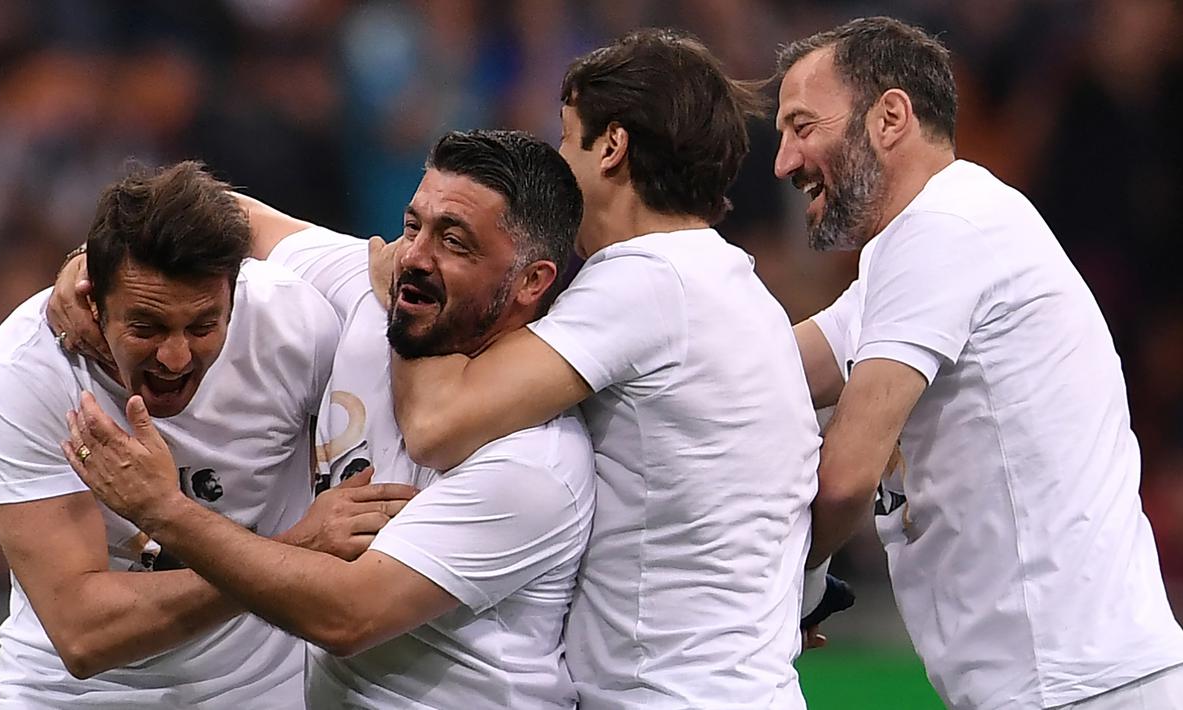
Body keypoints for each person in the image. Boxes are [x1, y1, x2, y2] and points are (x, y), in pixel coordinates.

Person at [59, 130, 597, 708]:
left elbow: (348, 617)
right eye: (413, 225)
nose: (415, 255)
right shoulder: (373, 293)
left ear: (533, 281)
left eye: (455, 242)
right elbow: (226, 216)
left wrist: (163, 509)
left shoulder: (536, 462)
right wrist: (93, 265)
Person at [374, 29, 821, 708]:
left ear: (610, 146)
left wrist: (405, 285)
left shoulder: (647, 283)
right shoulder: (737, 290)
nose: (558, 160)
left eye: (565, 136)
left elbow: (437, 425)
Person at [774, 16, 1183, 710]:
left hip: (1074, 687)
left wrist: (777, 588)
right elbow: (764, 372)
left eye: (802, 125)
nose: (783, 160)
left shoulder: (946, 229)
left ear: (890, 117)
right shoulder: (915, 251)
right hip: (1066, 683)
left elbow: (844, 477)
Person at [0, 161, 403, 708]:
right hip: (76, 698)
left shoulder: (296, 327)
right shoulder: (25, 373)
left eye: (203, 326)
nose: (175, 357)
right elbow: (82, 633)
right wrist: (294, 551)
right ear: (92, 298)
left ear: (234, 294)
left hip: (265, 692)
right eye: (145, 327)